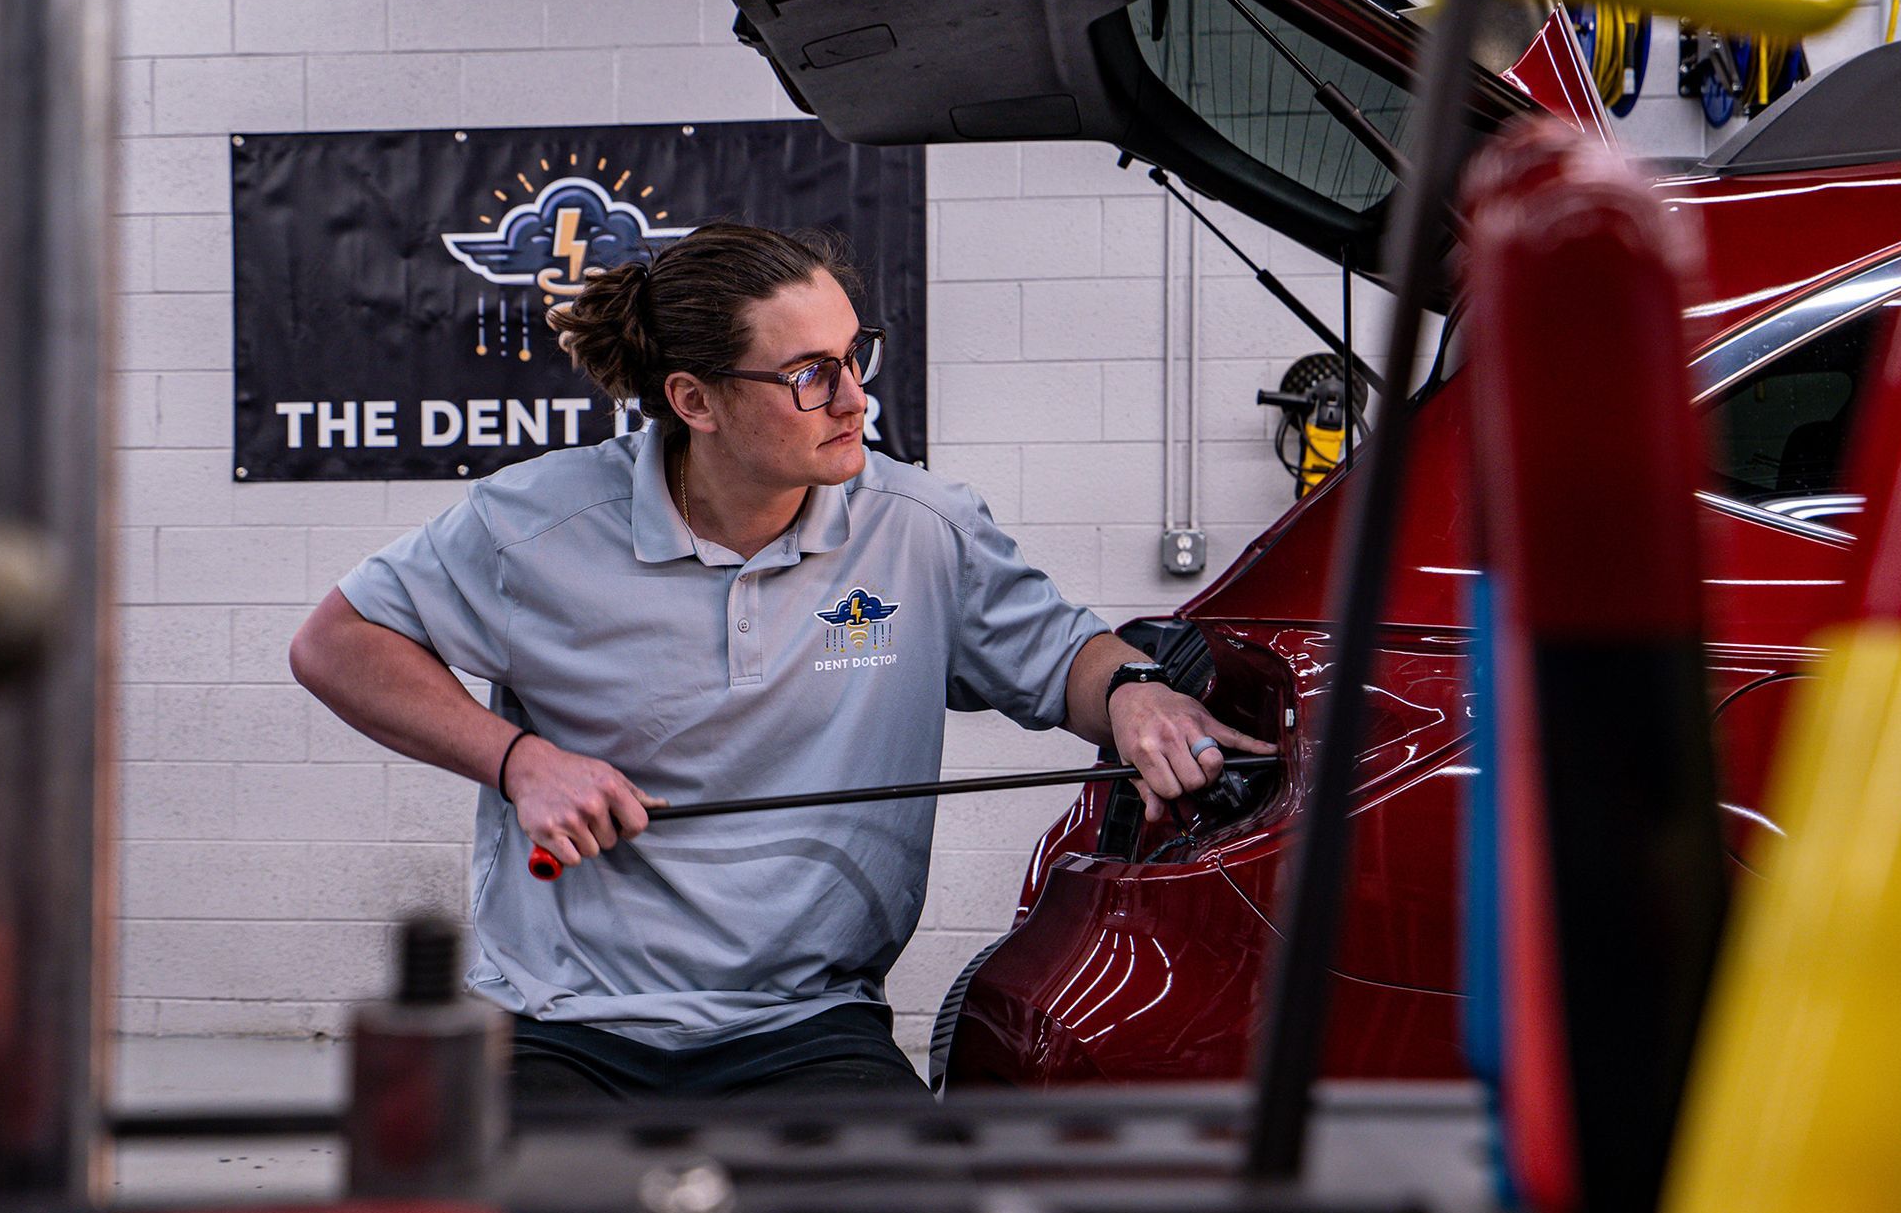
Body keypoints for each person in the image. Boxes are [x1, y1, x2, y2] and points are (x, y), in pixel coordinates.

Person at [289, 223, 1270, 1100]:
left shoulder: (923, 529)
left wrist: (1136, 694)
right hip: (562, 1024)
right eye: (810, 373)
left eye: (854, 357)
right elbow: (335, 643)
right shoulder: (534, 525)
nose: (854, 398)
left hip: (807, 1027)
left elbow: (1070, 660)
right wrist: (519, 761)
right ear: (694, 400)